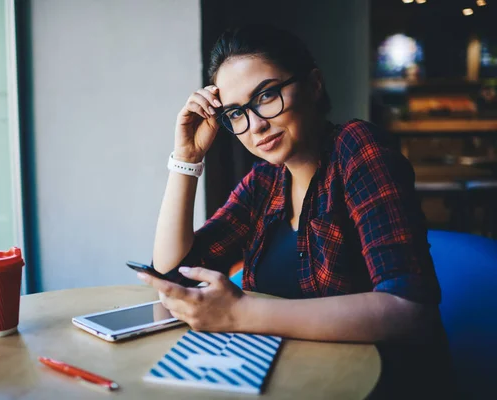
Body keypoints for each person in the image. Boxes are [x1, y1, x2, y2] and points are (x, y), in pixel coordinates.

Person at [138, 25, 454, 398]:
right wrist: (187, 159)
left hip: (373, 384)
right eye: (236, 113)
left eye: (267, 95)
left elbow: (411, 311)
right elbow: (175, 274)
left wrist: (241, 315)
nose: (255, 125)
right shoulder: (265, 182)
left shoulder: (357, 150)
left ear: (314, 85)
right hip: (286, 379)